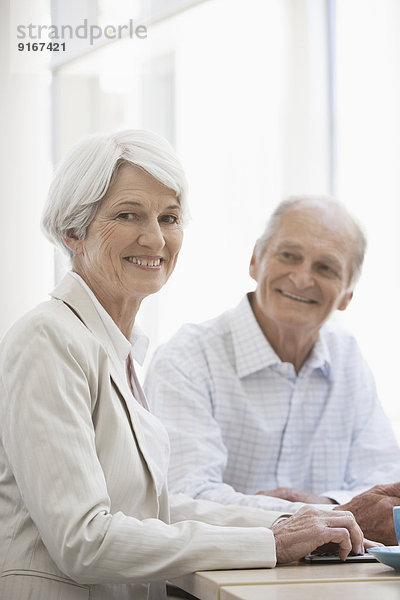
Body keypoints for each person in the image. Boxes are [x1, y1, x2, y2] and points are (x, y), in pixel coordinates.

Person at [0, 132, 368, 600]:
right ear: (74, 231)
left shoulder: (117, 346)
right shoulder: (48, 337)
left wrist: (289, 524)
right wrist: (268, 541)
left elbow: (154, 511)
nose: (154, 238)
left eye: (168, 217)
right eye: (128, 214)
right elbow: (84, 541)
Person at [145, 195, 400, 542]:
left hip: (336, 579)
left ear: (347, 295)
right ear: (255, 260)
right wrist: (338, 517)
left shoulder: (349, 359)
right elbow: (185, 498)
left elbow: (385, 493)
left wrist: (326, 507)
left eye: (326, 267)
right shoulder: (187, 358)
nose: (301, 278)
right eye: (288, 256)